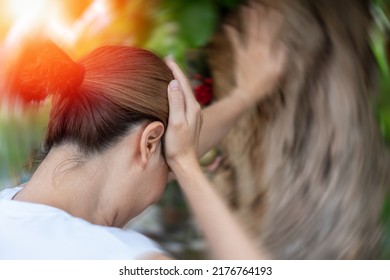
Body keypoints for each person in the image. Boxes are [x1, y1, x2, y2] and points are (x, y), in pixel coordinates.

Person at [0, 5, 285, 259]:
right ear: (148, 143)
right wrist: (186, 165)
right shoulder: (119, 257)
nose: (173, 169)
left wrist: (244, 96)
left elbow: (162, 148)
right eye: (170, 168)